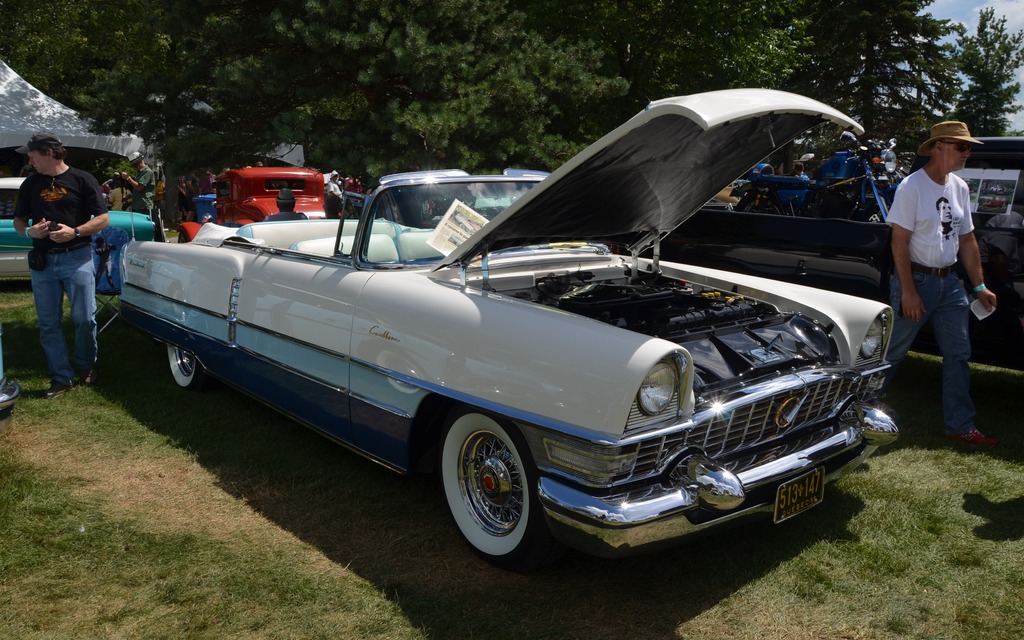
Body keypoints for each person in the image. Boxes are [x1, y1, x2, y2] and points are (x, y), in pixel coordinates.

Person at [880, 121, 999, 446]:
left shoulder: (959, 187)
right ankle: (858, 411)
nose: (967, 153)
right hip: (917, 279)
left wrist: (979, 286)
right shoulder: (911, 187)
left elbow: (967, 240)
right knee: (893, 352)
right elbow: (899, 242)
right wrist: (908, 291)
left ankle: (960, 425)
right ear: (938, 147)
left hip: (951, 284)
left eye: (968, 147)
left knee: (959, 353)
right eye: (962, 147)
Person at [12, 131, 109, 399]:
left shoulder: (83, 179)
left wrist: (74, 231)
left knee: (84, 318)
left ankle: (87, 365)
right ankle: (61, 377)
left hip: (77, 256)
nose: (30, 160)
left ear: (50, 153)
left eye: (33, 155)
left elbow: (103, 219)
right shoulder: (30, 184)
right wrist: (30, 232)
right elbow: (19, 221)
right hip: (43, 261)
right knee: (48, 323)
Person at [121, 151, 162, 242]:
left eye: (135, 165)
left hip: (144, 206)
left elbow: (139, 187)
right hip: (138, 206)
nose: (134, 167)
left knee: (144, 229)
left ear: (139, 162)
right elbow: (139, 191)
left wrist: (128, 178)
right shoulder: (140, 173)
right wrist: (129, 196)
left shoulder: (147, 172)